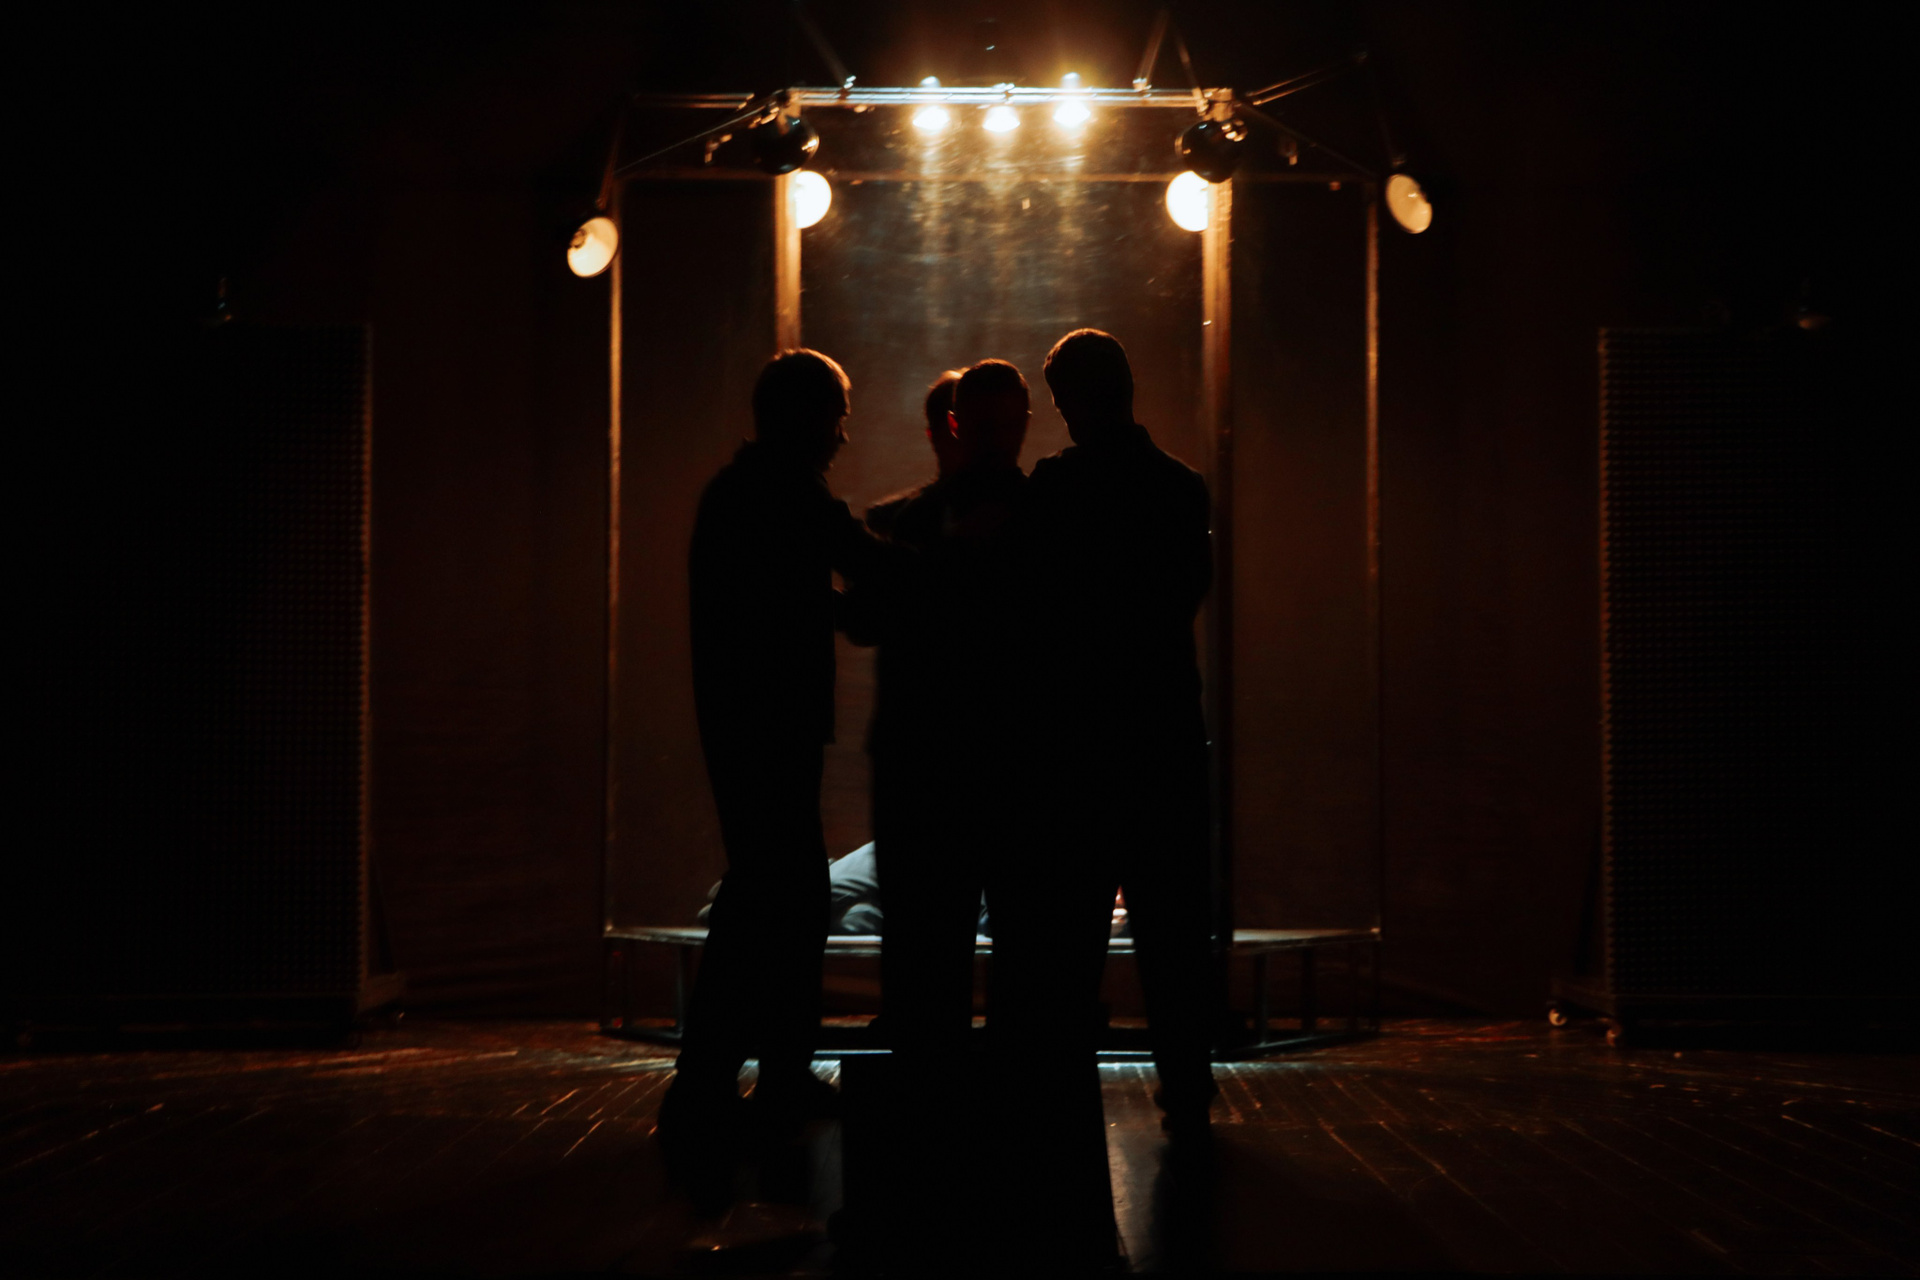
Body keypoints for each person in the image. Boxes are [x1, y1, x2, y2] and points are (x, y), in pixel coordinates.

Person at [655, 349, 896, 1171]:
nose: (843, 433)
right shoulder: (791, 493)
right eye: (837, 414)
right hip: (775, 728)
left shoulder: (739, 494)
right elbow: (861, 570)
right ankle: (727, 1079)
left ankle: (728, 1078)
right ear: (806, 417)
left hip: (745, 727)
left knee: (772, 897)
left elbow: (798, 592)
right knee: (779, 900)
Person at [1002, 328, 1216, 1164]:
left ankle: (1059, 1102)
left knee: (1070, 934)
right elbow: (1180, 597)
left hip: (1078, 744)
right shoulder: (1181, 488)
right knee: (1173, 930)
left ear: (1073, 402)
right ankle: (1187, 1090)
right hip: (1162, 735)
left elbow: (1031, 608)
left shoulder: (1055, 487)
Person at [840, 360, 1032, 1266]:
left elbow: (867, 619)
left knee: (929, 966)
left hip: (931, 767)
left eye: (1001, 426)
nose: (994, 441)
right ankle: (996, 1168)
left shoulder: (901, 523)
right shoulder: (1047, 521)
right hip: (998, 768)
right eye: (985, 426)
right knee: (969, 963)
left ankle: (932, 1171)